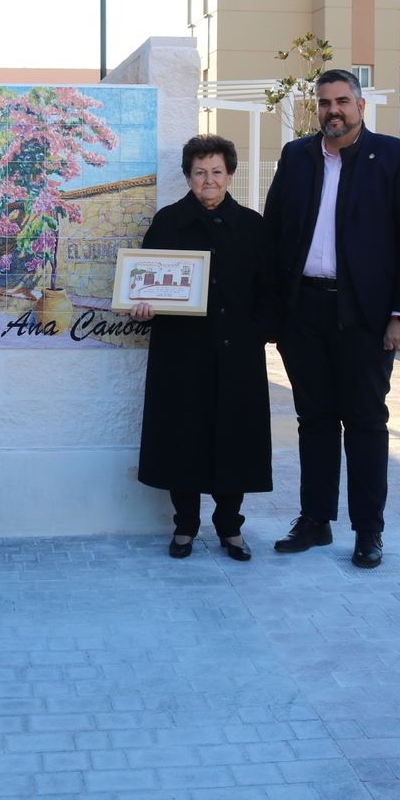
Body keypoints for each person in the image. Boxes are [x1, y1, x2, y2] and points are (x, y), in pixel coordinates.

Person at [262, 69, 400, 567]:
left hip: (366, 315)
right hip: (304, 312)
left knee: (364, 421)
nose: (332, 110)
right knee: (313, 419)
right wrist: (274, 312)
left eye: (341, 101)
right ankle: (315, 520)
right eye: (324, 102)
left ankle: (368, 530)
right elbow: (273, 232)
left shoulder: (397, 157)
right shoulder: (296, 156)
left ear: (360, 105)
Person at [132, 135, 278, 560]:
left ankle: (230, 527)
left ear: (229, 174)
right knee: (183, 437)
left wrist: (256, 333)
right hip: (181, 354)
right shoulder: (167, 222)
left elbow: (270, 291)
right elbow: (144, 282)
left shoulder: (252, 226)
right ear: (188, 176)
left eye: (216, 171)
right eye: (199, 172)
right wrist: (143, 307)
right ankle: (185, 526)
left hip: (238, 355)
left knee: (235, 439)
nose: (208, 180)